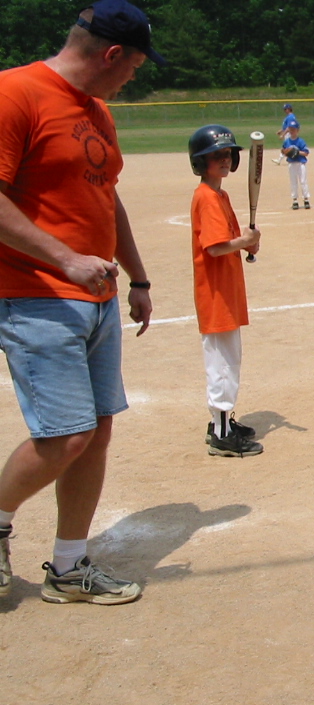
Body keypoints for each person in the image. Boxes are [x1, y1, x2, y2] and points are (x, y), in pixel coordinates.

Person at [0, 0, 163, 605]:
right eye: (135, 67)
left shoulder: (96, 111)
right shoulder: (15, 93)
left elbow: (105, 198)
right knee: (65, 437)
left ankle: (69, 568)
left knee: (95, 434)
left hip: (97, 298)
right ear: (111, 54)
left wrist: (138, 278)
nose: (132, 80)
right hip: (35, 296)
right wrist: (65, 258)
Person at [187, 124, 263, 458]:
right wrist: (243, 241)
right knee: (222, 363)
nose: (224, 160)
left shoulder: (220, 195)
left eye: (227, 154)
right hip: (216, 293)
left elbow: (229, 242)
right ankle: (221, 434)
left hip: (227, 290)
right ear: (200, 162)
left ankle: (221, 423)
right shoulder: (206, 197)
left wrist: (246, 244)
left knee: (229, 359)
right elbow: (215, 247)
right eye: (215, 155)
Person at [279, 125, 310, 210]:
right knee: (293, 182)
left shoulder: (301, 141)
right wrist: (285, 152)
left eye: (294, 129)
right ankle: (295, 200)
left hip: (300, 163)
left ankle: (306, 199)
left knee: (303, 181)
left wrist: (297, 152)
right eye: (290, 130)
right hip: (291, 163)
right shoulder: (287, 141)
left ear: (298, 130)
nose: (292, 131)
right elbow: (283, 151)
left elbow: (306, 153)